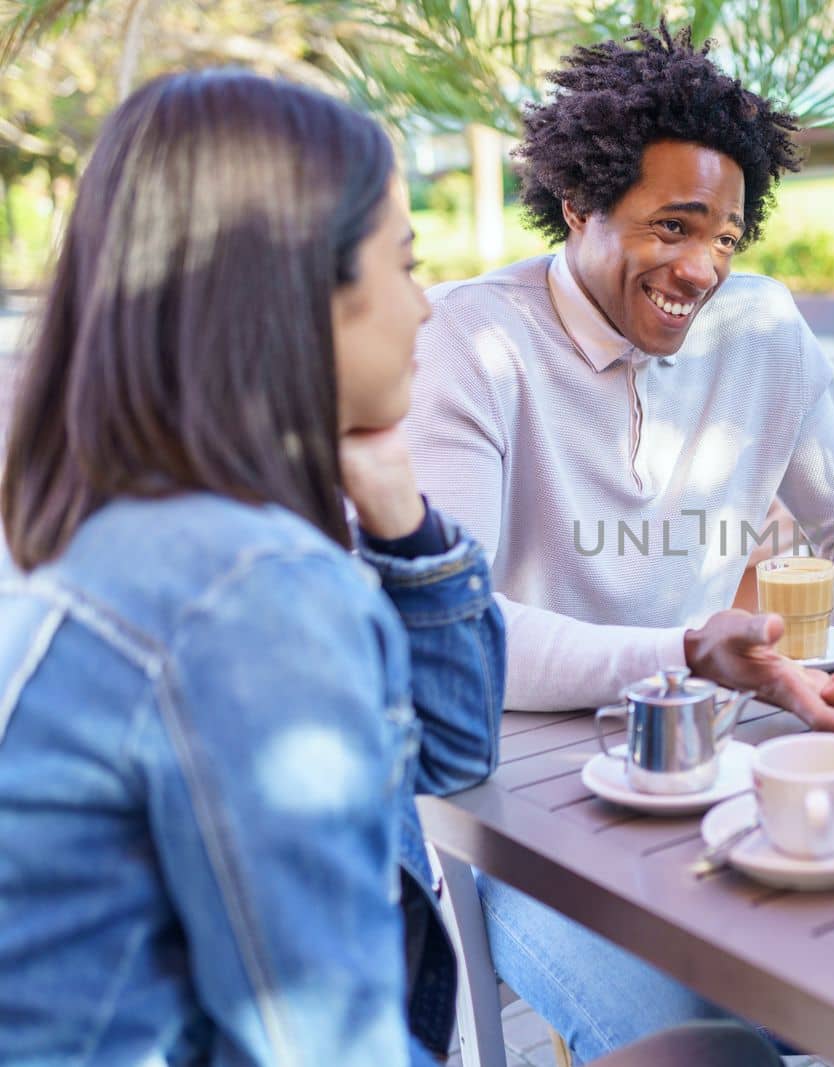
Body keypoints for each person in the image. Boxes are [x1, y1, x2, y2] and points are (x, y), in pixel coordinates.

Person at [402, 24, 834, 1063]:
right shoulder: (467, 345)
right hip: (507, 813)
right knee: (716, 1041)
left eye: (728, 238)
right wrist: (685, 650)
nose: (702, 267)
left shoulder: (759, 328)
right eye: (672, 226)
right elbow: (462, 636)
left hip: (710, 770)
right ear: (579, 204)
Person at [0, 71, 506, 1065]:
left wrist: (400, 517)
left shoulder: (129, 528)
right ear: (295, 287)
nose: (424, 308)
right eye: (404, 264)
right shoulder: (245, 595)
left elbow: (446, 754)